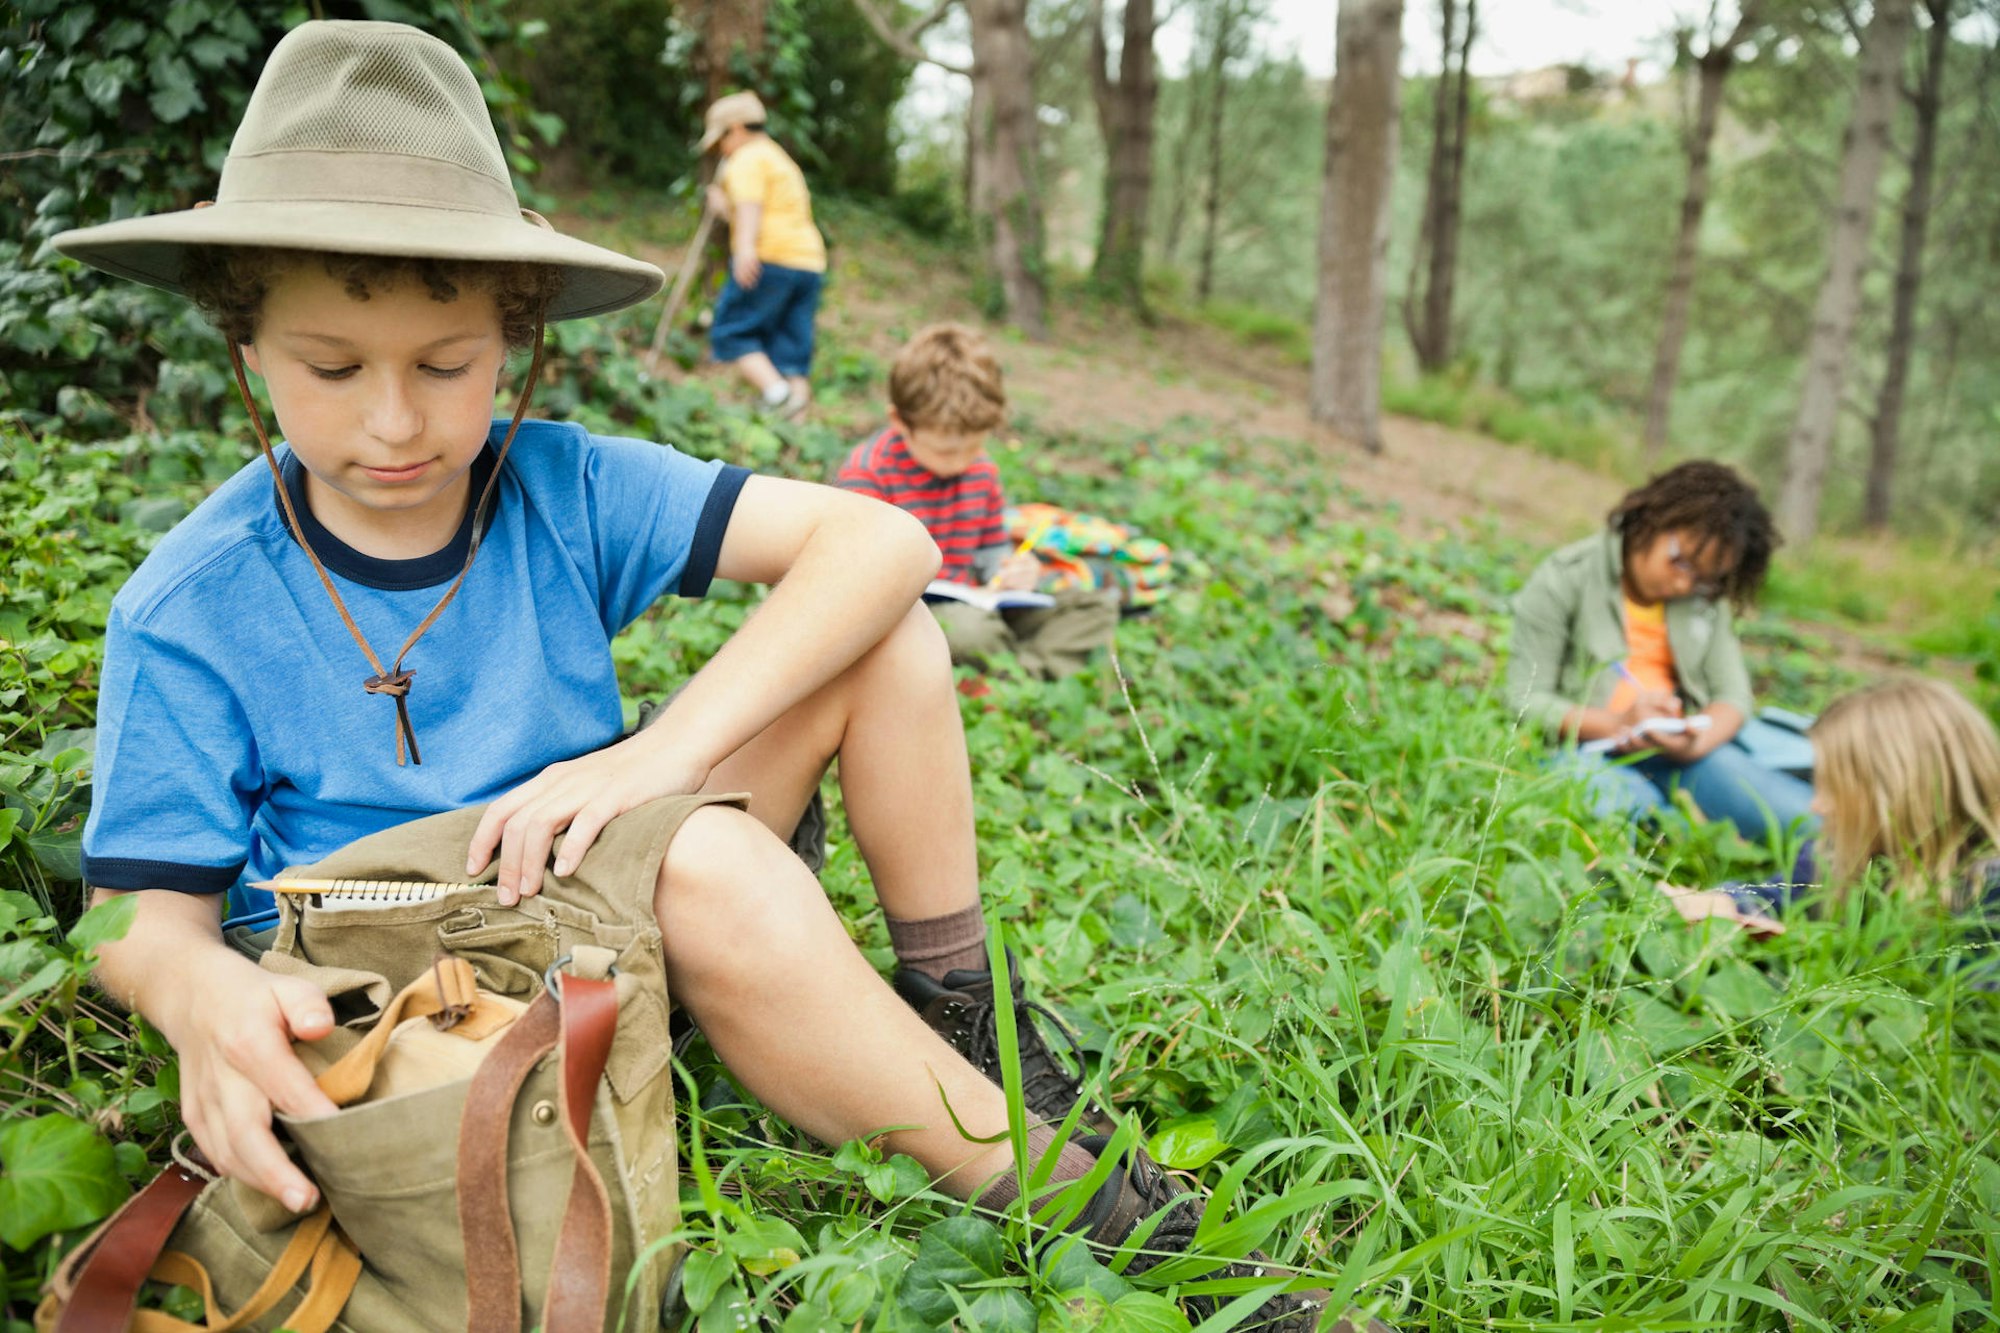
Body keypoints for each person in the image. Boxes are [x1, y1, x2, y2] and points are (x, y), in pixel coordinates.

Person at [54, 22, 1376, 1331]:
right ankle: (1094, 1216)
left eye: (444, 367)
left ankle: (960, 1019)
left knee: (891, 636)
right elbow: (136, 927)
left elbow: (886, 540)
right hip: (412, 984)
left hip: (584, 887)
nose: (394, 421)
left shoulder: (555, 486)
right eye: (332, 371)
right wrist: (199, 993)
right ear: (246, 346)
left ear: (513, 340)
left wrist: (657, 754)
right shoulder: (191, 600)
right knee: (714, 865)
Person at [1507, 461, 1815, 845]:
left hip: (1682, 755)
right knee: (1624, 824)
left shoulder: (1704, 600)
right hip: (1588, 751)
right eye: (1681, 562)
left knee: (1805, 820)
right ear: (1653, 520)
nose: (1685, 583)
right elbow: (1524, 700)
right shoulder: (1564, 577)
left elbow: (1733, 698)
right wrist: (1618, 724)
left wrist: (1695, 741)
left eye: (1705, 578)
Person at [836, 323, 1121, 680]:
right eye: (946, 450)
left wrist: (1011, 569)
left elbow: (990, 552)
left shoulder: (981, 471)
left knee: (1094, 606)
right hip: (912, 616)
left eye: (974, 446)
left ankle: (1014, 675)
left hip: (978, 602)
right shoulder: (869, 473)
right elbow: (856, 582)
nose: (960, 462)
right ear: (900, 422)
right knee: (968, 631)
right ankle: (1019, 676)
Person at [1661, 677, 2000, 950]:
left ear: (1900, 799)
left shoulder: (1987, 893)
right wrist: (1725, 904)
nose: (1816, 805)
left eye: (1835, 790)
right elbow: (1775, 895)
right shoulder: (1840, 854)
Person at [700, 90, 825, 418]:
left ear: (737, 129)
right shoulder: (778, 157)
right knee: (792, 347)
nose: (721, 150)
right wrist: (724, 208)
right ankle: (798, 427)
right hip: (809, 261)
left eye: (721, 140)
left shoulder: (746, 158)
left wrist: (743, 251)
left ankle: (778, 395)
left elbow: (750, 206)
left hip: (770, 257)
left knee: (732, 331)